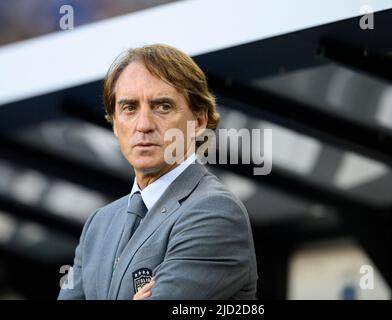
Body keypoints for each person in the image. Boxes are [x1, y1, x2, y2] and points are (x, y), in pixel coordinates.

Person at [58, 44, 258, 300]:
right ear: (115, 125)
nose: (143, 125)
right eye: (129, 108)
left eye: (162, 106)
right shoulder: (98, 224)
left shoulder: (215, 211)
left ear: (198, 122)